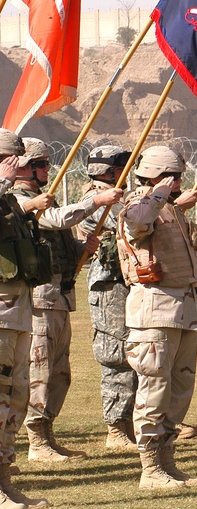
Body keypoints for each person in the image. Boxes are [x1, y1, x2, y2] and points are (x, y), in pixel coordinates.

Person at [12, 138, 121, 463]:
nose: (48, 169)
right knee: (40, 371)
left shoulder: (42, 199)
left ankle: (48, 434)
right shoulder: (20, 200)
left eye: (47, 163)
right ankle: (36, 440)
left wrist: (82, 249)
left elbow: (60, 246)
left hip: (59, 297)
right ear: (27, 168)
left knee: (60, 373)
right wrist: (97, 201)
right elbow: (57, 220)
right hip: (39, 301)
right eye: (42, 164)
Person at [118, 145, 197, 489]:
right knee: (154, 391)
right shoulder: (139, 205)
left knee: (179, 390)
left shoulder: (170, 210)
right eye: (176, 177)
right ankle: (151, 469)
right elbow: (137, 221)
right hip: (154, 312)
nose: (180, 183)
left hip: (182, 310)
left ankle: (168, 462)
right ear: (162, 176)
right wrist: (159, 194)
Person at [0, 129, 54, 507]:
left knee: (15, 398)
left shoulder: (8, 201)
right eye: (11, 160)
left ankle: (4, 479)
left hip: (17, 310)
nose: (16, 166)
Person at [79, 144, 136, 450]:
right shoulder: (95, 201)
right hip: (109, 287)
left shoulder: (116, 199)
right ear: (111, 171)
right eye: (122, 169)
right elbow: (127, 229)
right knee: (116, 356)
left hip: (127, 285)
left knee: (137, 353)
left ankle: (132, 422)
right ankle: (116, 428)